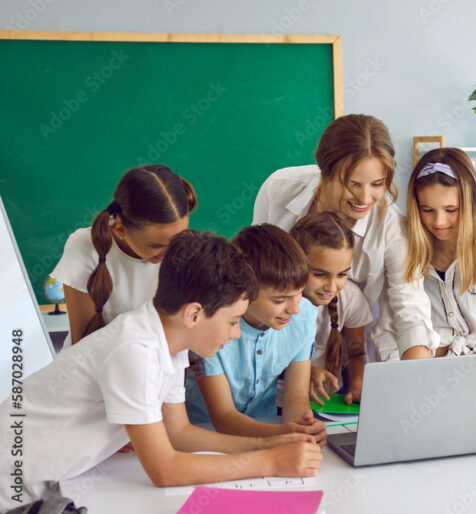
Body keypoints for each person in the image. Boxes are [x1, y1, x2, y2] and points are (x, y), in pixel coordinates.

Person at [0, 231, 322, 510]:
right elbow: (165, 470)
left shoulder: (169, 341)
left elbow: (179, 433)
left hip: (43, 483)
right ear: (194, 314)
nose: (236, 333)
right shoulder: (134, 350)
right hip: (12, 488)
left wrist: (268, 443)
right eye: (232, 322)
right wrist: (270, 462)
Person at [252, 114, 439, 361]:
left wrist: (418, 370)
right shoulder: (278, 189)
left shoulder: (393, 228)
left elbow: (410, 309)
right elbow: (254, 274)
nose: (365, 198)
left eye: (377, 184)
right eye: (352, 184)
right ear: (325, 172)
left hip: (349, 357)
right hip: (271, 353)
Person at [186, 224, 327, 443]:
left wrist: (304, 427)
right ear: (244, 291)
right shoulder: (211, 325)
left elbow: (296, 397)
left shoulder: (304, 315)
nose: (294, 309)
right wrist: (285, 434)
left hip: (267, 427)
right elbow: (223, 416)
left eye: (299, 293)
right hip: (206, 436)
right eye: (279, 300)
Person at [51, 164, 196, 347]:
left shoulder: (189, 254)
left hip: (157, 361)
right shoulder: (84, 247)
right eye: (156, 246)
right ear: (120, 230)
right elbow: (82, 343)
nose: (170, 252)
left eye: (178, 239)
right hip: (95, 360)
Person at [405, 148, 476, 356]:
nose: (439, 221)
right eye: (427, 210)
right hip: (427, 369)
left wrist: (454, 361)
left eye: (451, 210)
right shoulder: (408, 251)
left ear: (471, 204)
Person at [289, 212, 373, 405]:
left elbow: (356, 352)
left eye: (342, 274)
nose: (331, 287)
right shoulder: (278, 303)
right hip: (277, 401)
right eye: (320, 274)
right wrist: (306, 372)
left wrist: (357, 384)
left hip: (331, 400)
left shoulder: (350, 298)